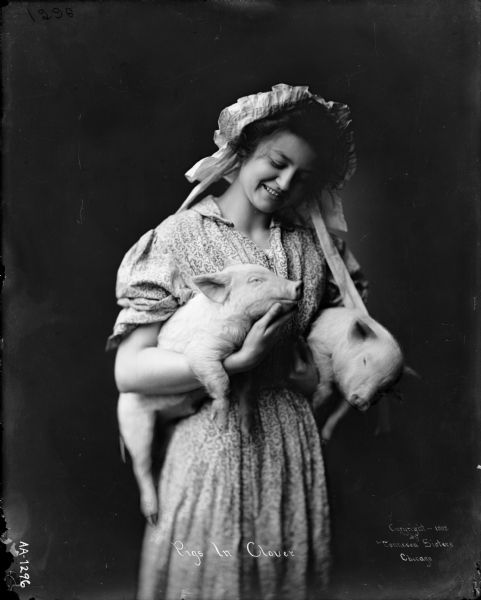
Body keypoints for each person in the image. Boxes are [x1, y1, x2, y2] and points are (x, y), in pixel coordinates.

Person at [107, 84, 368, 600]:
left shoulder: (312, 250)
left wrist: (318, 376)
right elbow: (130, 371)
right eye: (277, 161)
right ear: (241, 150)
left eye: (304, 176)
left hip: (292, 450)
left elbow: (332, 345)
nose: (285, 181)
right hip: (212, 446)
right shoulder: (179, 236)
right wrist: (241, 361)